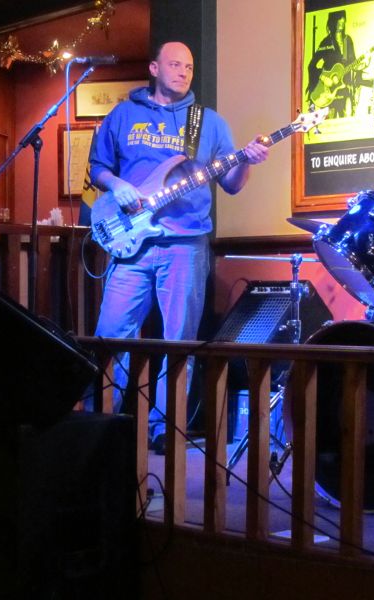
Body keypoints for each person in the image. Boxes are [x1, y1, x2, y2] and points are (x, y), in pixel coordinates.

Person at [88, 41, 269, 454]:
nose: (183, 72)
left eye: (188, 66)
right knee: (110, 334)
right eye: (174, 64)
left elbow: (233, 185)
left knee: (179, 341)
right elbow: (98, 168)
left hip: (186, 244)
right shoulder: (124, 114)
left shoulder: (209, 124)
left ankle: (164, 428)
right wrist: (118, 186)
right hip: (130, 243)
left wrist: (247, 160)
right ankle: (98, 422)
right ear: (154, 68)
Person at [305, 10, 359, 118]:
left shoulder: (348, 40)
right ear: (332, 23)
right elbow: (311, 65)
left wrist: (360, 65)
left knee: (345, 118)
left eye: (343, 22)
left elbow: (354, 62)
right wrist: (324, 77)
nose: (341, 25)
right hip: (327, 91)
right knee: (329, 121)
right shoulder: (326, 42)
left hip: (344, 86)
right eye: (338, 22)